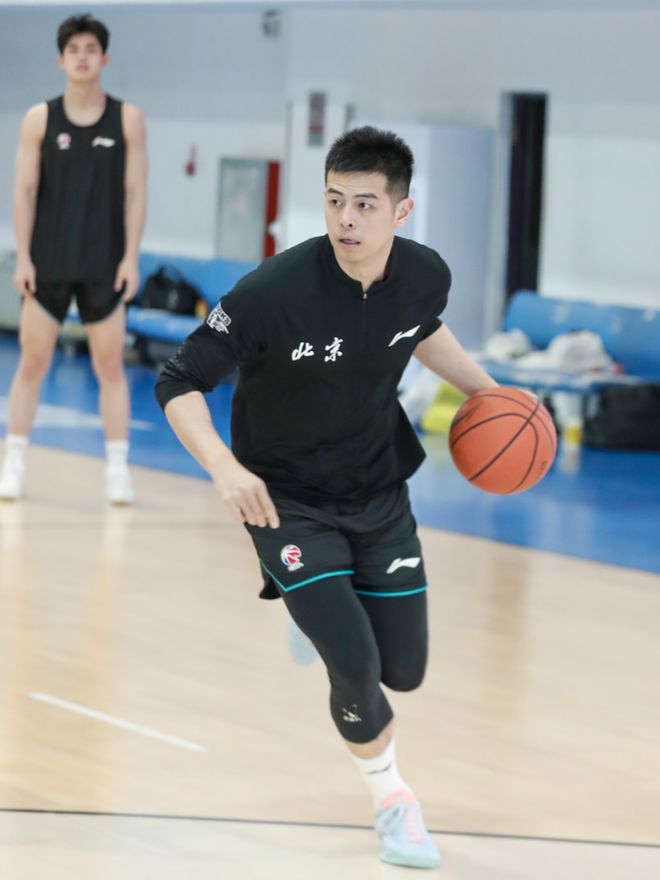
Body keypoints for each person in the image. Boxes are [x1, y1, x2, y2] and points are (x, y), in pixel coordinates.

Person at [155, 126, 497, 869]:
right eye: (335, 200)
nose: (346, 218)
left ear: (400, 212)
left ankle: (312, 607)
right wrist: (224, 468)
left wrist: (492, 394)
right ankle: (394, 803)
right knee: (355, 663)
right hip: (285, 503)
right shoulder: (271, 292)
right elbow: (178, 380)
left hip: (378, 490)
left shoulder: (425, 275)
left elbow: (419, 329)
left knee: (403, 671)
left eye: (365, 204)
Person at [0, 14, 147, 504]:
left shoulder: (127, 119)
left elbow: (136, 192)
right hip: (49, 261)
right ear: (60, 60)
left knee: (110, 367)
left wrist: (130, 258)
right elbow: (24, 192)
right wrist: (24, 258)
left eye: (91, 49)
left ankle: (118, 470)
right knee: (32, 364)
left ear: (104, 58)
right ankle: (13, 463)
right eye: (73, 50)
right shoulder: (39, 119)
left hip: (105, 263)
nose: (82, 57)